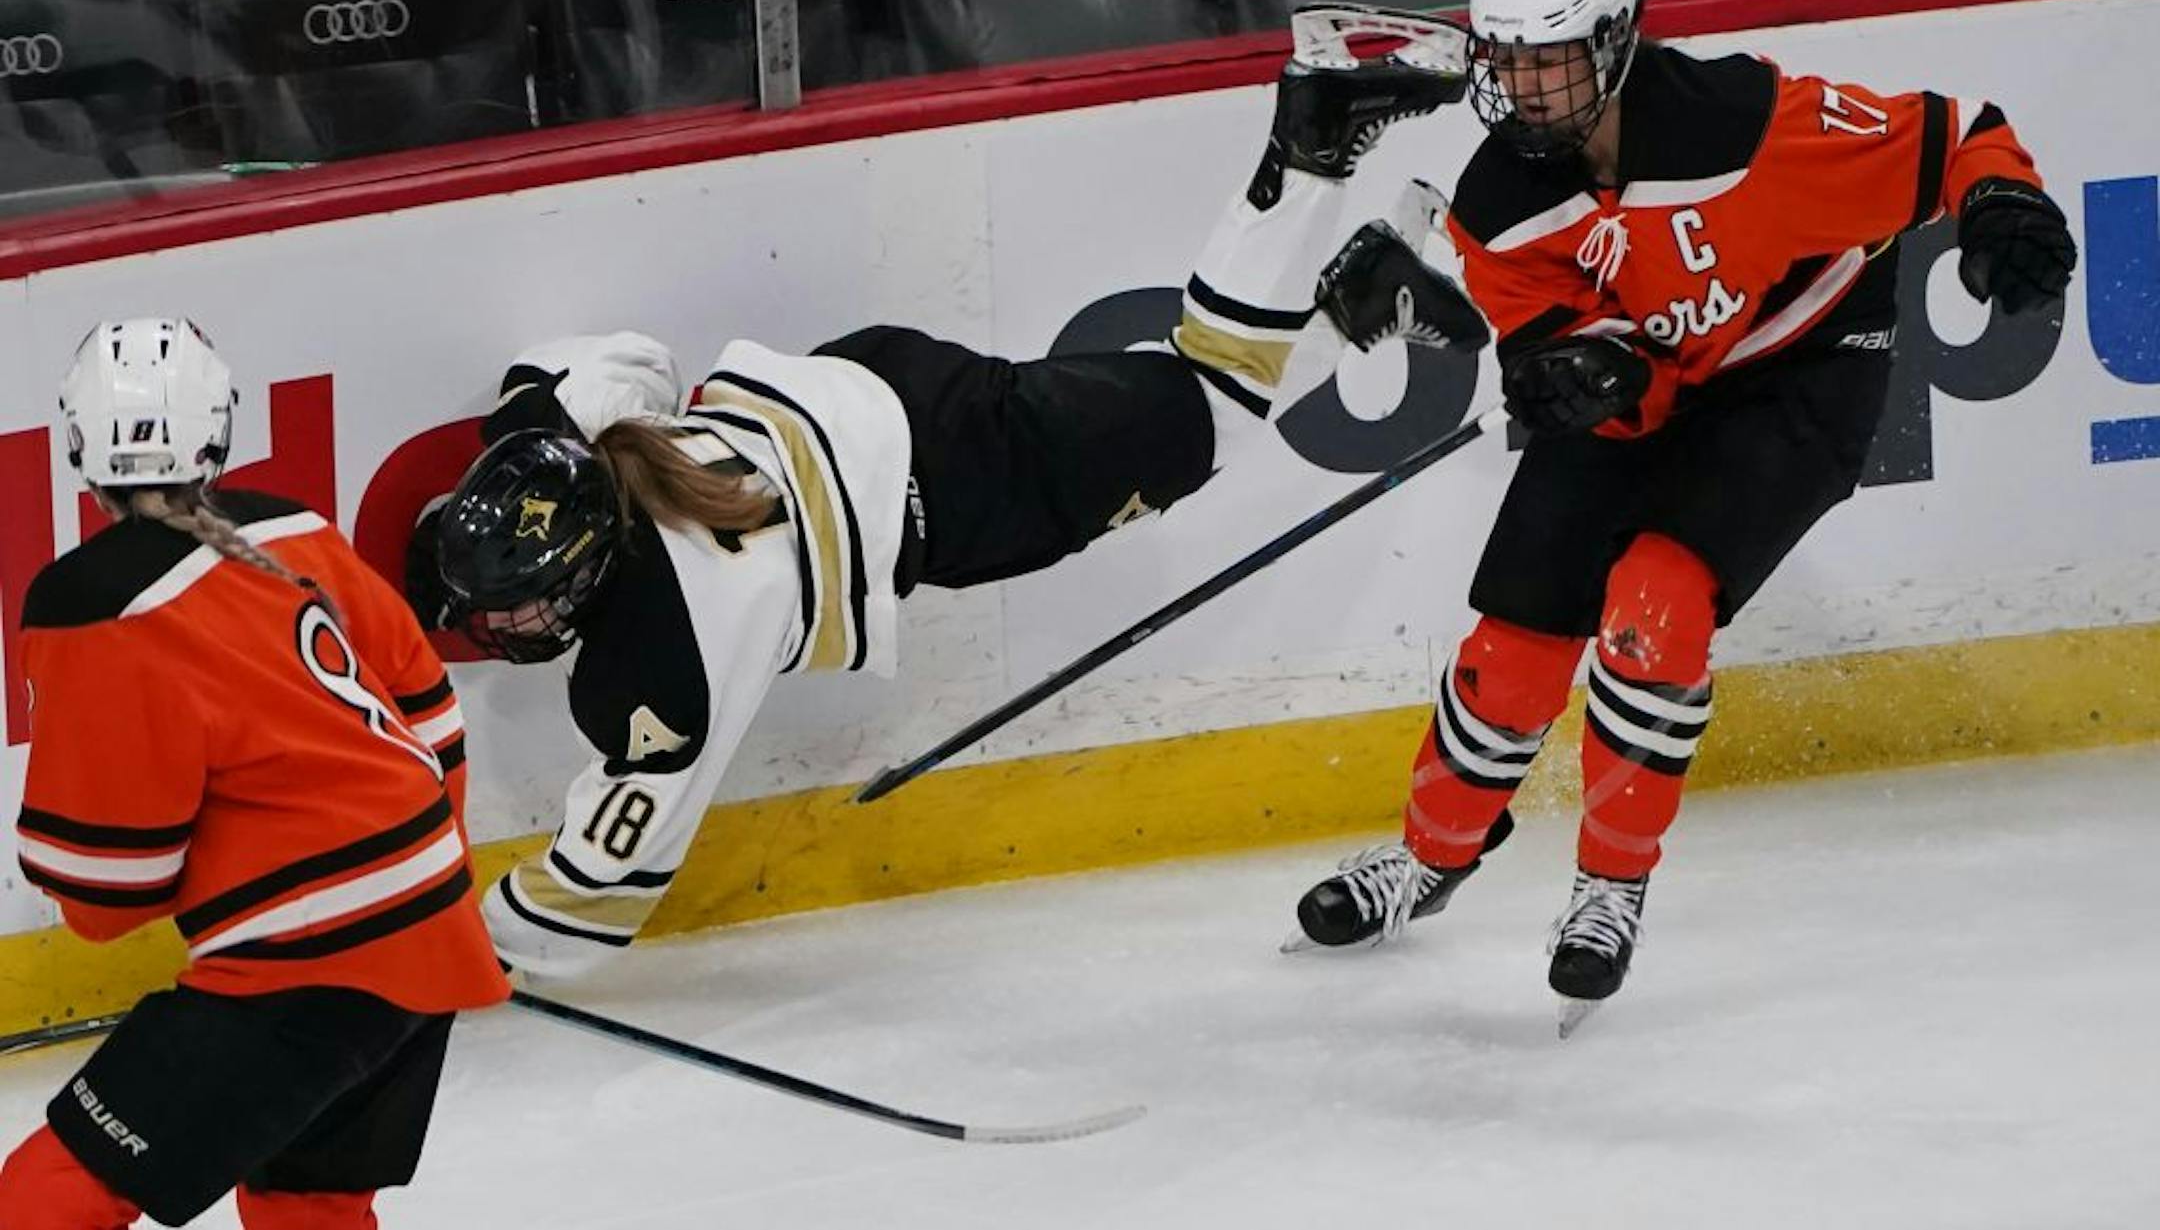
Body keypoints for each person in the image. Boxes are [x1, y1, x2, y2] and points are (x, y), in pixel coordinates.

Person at [400, 50, 1487, 980]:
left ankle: (1317, 161)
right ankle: (1346, 266)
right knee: (1188, 391)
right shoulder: (559, 435)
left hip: (961, 487)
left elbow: (606, 883)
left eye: (525, 605)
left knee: (1210, 408)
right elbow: (618, 363)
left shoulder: (661, 654)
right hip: (880, 381)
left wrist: (473, 949)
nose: (504, 632)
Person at [1287, 0, 2077, 1034]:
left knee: (1653, 609)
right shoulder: (1500, 201)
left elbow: (1958, 135)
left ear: (1613, 44)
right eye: (1503, 61)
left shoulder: (1747, 127)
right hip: (1658, 391)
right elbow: (1555, 341)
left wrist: (2003, 196)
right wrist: (1582, 376)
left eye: (1547, 63)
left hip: (1799, 367)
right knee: (1511, 648)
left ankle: (1610, 885)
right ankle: (1429, 855)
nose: (1518, 89)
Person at [0, 318, 510, 1229]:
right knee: (307, 1202)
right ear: (218, 427)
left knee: (43, 1200)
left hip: (300, 964)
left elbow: (107, 893)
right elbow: (432, 717)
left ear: (77, 443)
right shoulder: (295, 526)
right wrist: (410, 896)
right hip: (433, 914)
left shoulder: (86, 603)